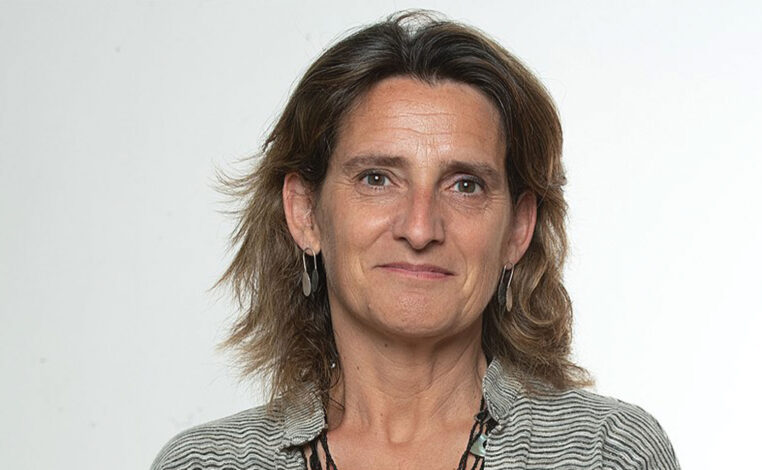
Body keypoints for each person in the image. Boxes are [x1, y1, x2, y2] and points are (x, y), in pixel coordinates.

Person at [151, 11, 679, 470]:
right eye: (377, 179)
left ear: (518, 229)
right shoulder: (205, 464)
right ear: (305, 212)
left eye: (465, 185)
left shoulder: (606, 453)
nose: (421, 228)